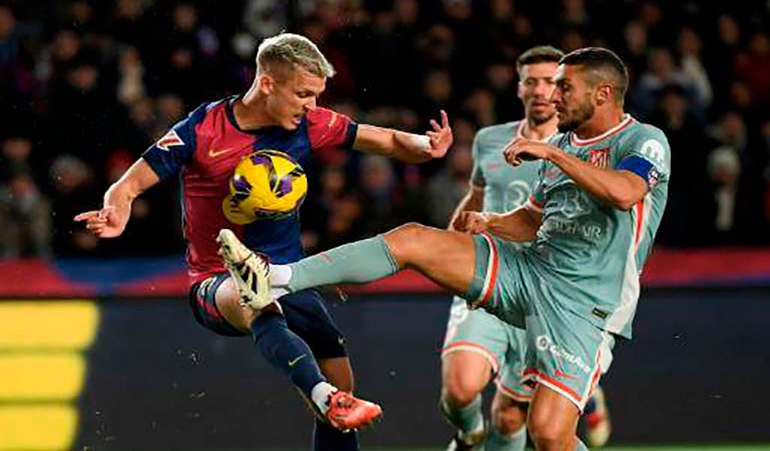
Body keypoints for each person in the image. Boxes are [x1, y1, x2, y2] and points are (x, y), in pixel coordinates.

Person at [218, 47, 670, 450]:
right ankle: (277, 278)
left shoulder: (642, 140)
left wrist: (553, 155)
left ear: (602, 93)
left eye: (564, 88)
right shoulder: (562, 143)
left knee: (549, 436)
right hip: (529, 270)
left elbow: (624, 192)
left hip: (585, 303)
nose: (553, 97)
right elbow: (533, 221)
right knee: (414, 238)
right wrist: (491, 222)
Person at [75, 33, 453, 450]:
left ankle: (330, 399)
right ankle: (323, 396)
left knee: (343, 389)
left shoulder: (310, 124)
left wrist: (427, 146)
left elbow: (388, 140)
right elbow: (129, 184)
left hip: (290, 276)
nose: (312, 105)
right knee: (255, 300)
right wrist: (116, 210)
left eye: (317, 95)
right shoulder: (202, 129)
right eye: (303, 94)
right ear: (268, 83)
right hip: (217, 279)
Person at [440, 46, 610, 451]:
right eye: (530, 81)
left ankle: (587, 393)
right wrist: (447, 245)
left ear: (565, 89)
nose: (539, 90)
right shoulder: (489, 140)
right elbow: (476, 198)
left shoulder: (583, 151)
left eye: (550, 82)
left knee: (511, 416)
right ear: (518, 88)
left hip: (542, 294)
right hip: (489, 277)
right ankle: (469, 434)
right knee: (461, 389)